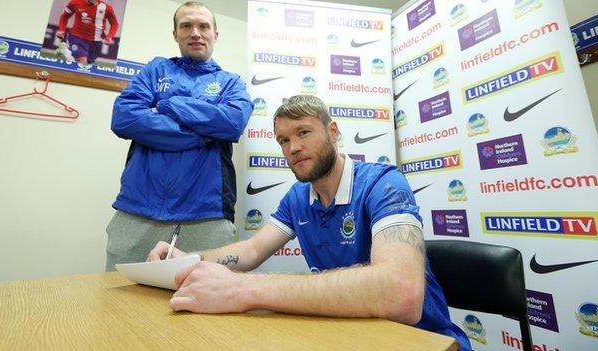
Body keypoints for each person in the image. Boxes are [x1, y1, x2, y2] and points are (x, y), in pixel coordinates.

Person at [147, 95, 471, 350]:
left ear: (332, 132)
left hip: (421, 339)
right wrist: (189, 259)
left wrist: (243, 288)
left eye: (303, 133)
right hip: (350, 336)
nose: (293, 148)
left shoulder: (383, 183)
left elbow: (401, 294)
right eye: (283, 140)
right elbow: (251, 250)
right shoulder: (298, 196)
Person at [106, 1, 253, 271]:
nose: (195, 32)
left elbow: (232, 123)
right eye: (186, 26)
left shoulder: (231, 82)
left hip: (207, 216)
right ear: (175, 34)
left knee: (206, 306)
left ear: (215, 35)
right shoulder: (155, 70)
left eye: (203, 26)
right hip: (137, 211)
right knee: (119, 304)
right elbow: (124, 117)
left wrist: (167, 104)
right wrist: (202, 134)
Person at [56, 0, 119, 67]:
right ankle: (66, 52)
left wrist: (109, 36)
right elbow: (64, 16)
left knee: (87, 66)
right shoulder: (75, 3)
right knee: (82, 62)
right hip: (77, 37)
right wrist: (62, 30)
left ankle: (64, 51)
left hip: (95, 42)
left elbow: (114, 24)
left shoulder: (107, 8)